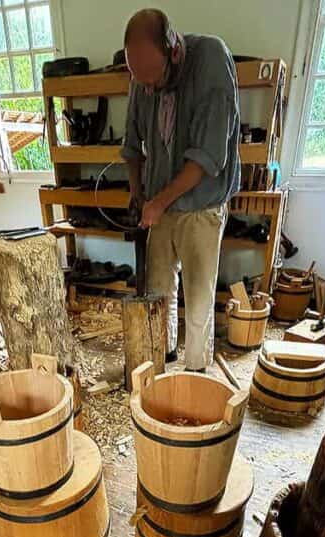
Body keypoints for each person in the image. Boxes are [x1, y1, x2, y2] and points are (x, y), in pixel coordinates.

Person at [121, 9, 241, 372]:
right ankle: (162, 351)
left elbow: (206, 159)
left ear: (174, 51)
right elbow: (131, 146)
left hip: (201, 204)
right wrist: (137, 191)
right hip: (160, 202)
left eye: (154, 81)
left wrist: (157, 202)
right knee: (158, 288)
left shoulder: (211, 62)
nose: (148, 89)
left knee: (199, 294)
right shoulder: (143, 76)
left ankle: (195, 370)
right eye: (140, 81)